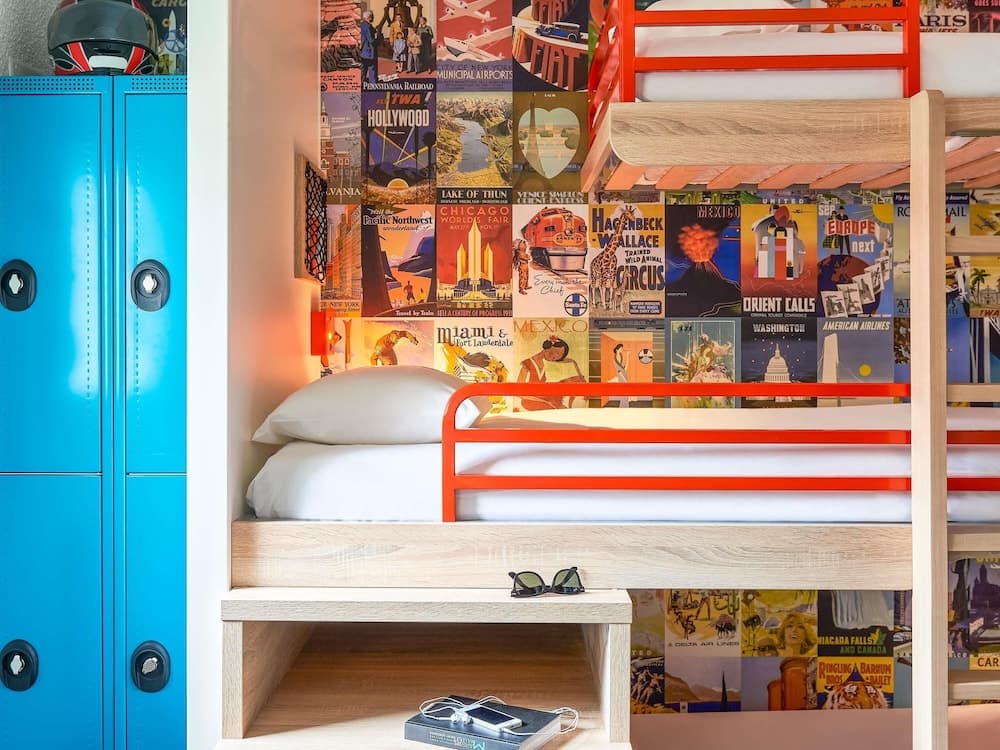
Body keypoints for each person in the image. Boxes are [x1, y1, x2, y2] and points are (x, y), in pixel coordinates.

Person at [515, 336, 585, 411]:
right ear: (549, 347)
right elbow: (519, 392)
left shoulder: (543, 363)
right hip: (530, 401)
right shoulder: (528, 363)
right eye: (556, 353)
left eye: (558, 356)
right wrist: (546, 402)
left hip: (545, 398)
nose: (555, 357)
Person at [360, 10, 378, 85]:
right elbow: (371, 40)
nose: (373, 18)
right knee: (372, 68)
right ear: (369, 17)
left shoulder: (362, 25)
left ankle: (361, 83)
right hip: (369, 51)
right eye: (372, 16)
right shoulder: (368, 26)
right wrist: (378, 39)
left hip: (362, 51)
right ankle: (372, 84)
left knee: (363, 68)